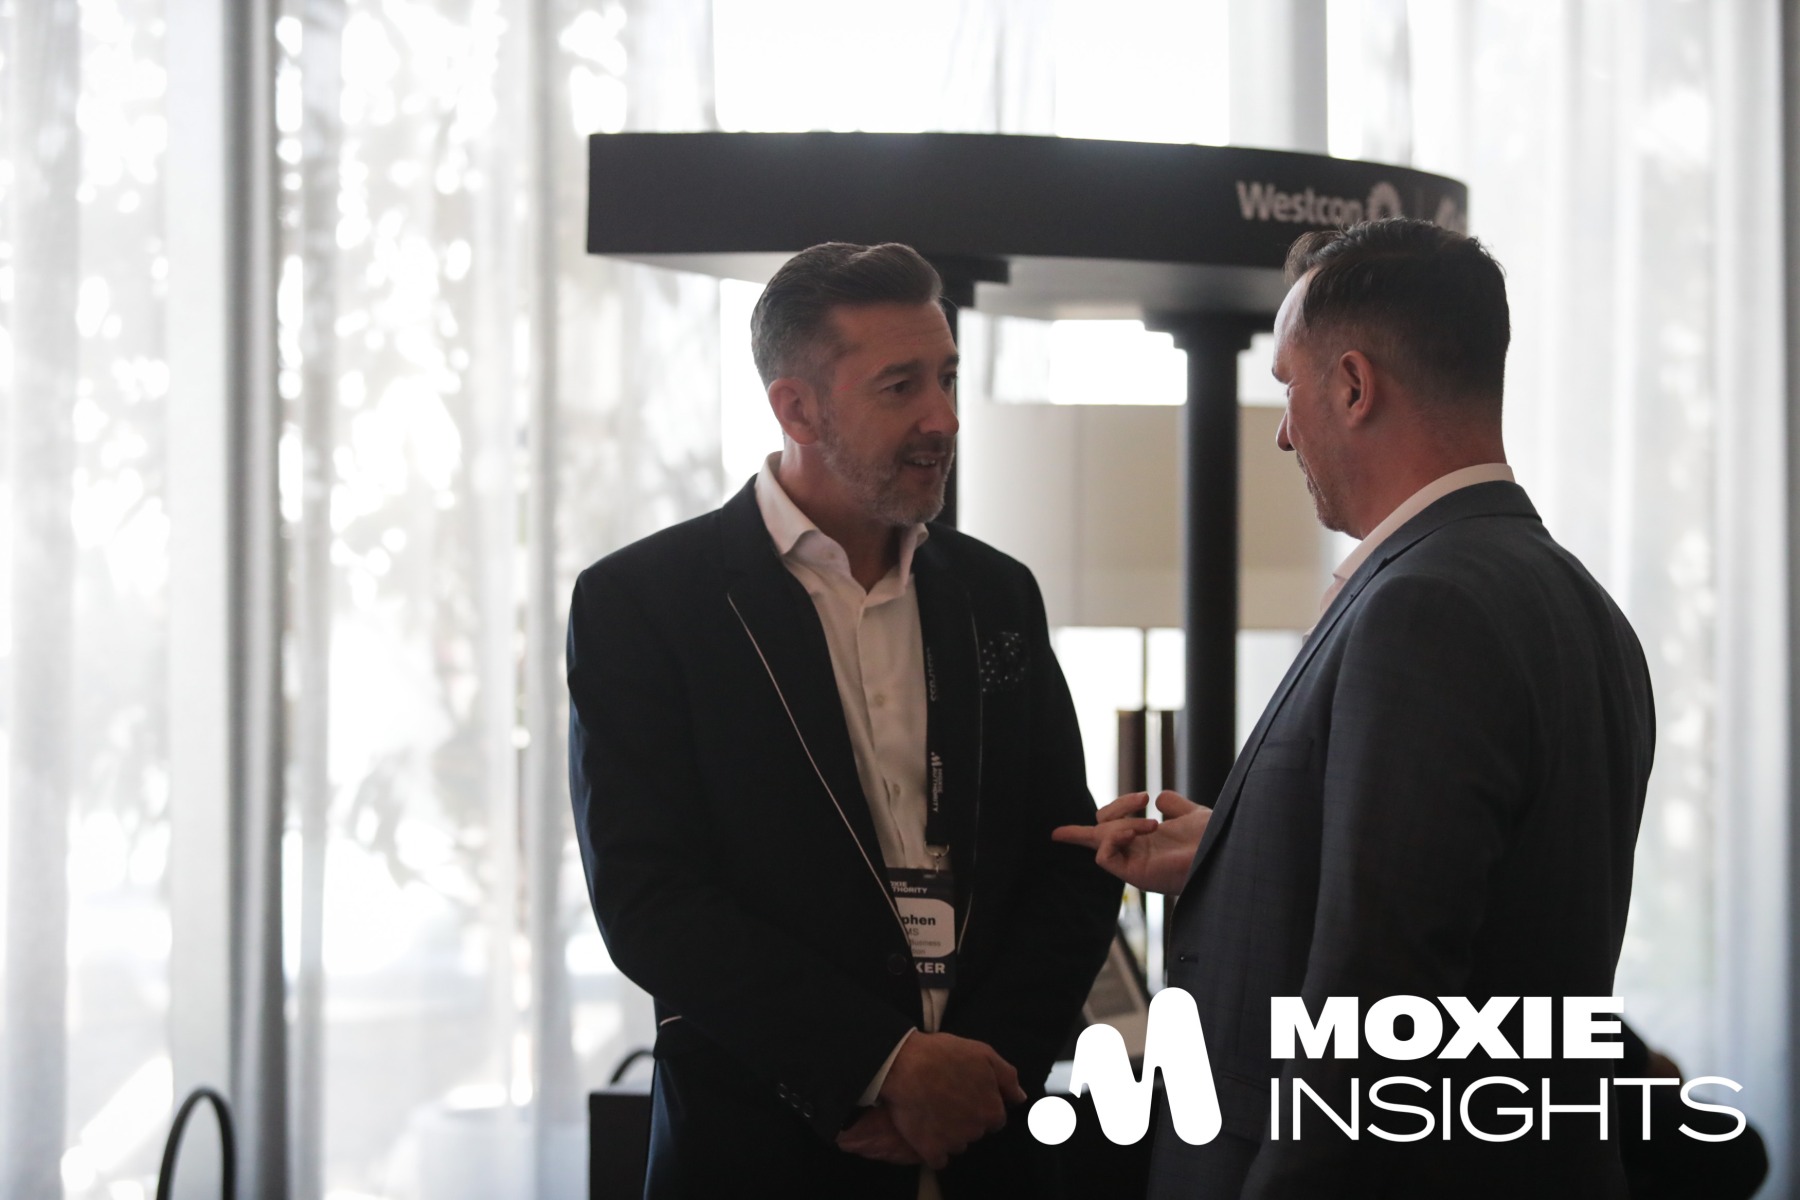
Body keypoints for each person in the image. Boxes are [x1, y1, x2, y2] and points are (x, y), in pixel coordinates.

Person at [1056, 218, 1655, 1197]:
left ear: (1352, 386)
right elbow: (1476, 903)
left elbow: (1378, 1012)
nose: (1284, 430)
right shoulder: (1579, 602)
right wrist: (1236, 847)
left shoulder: (1423, 608)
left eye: (1289, 387)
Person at [568, 241, 1120, 1198]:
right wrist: (884, 1067)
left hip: (991, 1151)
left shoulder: (997, 595)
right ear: (797, 409)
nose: (943, 418)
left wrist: (976, 1078)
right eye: (901, 386)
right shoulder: (647, 603)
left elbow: (1067, 856)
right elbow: (650, 899)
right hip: (764, 1154)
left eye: (947, 378)